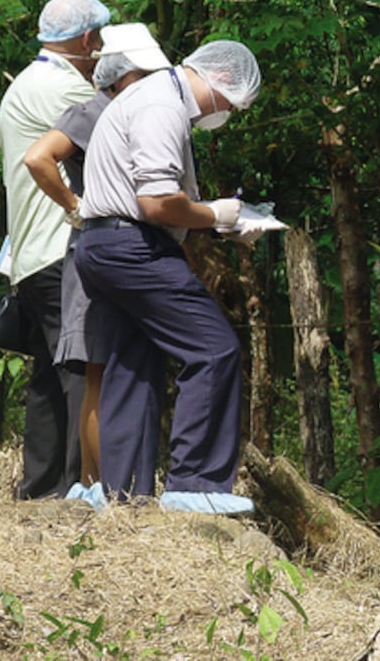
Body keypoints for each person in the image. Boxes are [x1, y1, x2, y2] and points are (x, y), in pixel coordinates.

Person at [74, 39, 264, 515]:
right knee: (214, 349)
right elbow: (156, 202)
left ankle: (123, 494)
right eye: (233, 105)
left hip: (102, 244)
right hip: (133, 247)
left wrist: (218, 224)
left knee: (133, 364)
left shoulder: (149, 97)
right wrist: (217, 214)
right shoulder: (163, 103)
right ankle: (195, 483)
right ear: (220, 81)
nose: (227, 114)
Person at [23, 23, 172, 499]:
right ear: (120, 75)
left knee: (118, 372)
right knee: (99, 372)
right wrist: (76, 207)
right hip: (100, 250)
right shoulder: (97, 110)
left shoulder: (132, 110)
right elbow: (38, 158)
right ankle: (101, 490)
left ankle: (112, 490)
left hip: (123, 252)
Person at [0, 0, 109, 499]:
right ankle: (77, 488)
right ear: (86, 39)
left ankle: (38, 491)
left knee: (48, 372)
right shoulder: (60, 89)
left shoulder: (31, 79)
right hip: (54, 247)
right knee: (77, 368)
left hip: (31, 252)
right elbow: (115, 130)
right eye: (101, 40)